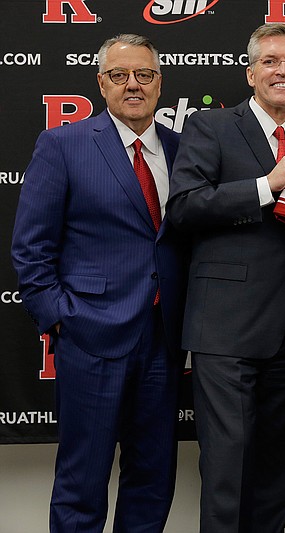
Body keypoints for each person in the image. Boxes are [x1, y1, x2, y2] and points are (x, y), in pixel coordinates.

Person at [10, 34, 185, 532]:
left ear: (159, 83)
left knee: (152, 479)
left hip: (163, 340)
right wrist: (61, 319)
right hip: (89, 337)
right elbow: (31, 247)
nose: (133, 85)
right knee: (82, 483)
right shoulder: (63, 144)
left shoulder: (181, 149)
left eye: (144, 75)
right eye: (120, 75)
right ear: (101, 84)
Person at [166, 23, 285, 532]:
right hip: (226, 329)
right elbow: (184, 207)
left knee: (279, 467)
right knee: (226, 466)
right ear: (251, 71)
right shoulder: (211, 127)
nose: (283, 71)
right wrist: (264, 185)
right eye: (272, 61)